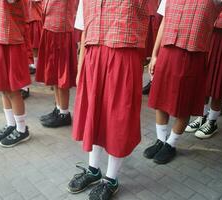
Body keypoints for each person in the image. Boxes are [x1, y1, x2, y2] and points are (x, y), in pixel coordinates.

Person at [68, 1, 149, 199]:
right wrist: (80, 67)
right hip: (93, 58)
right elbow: (85, 30)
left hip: (123, 57)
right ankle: (93, 170)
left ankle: (111, 179)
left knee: (117, 118)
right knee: (94, 115)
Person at [144, 0, 222, 165]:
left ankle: (171, 143)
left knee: (184, 103)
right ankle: (160, 140)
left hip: (193, 55)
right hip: (167, 51)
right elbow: (165, 21)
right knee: (160, 99)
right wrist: (155, 54)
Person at [0, 0, 31, 147]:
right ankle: (11, 124)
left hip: (10, 40)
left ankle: (21, 129)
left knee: (12, 89)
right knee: (3, 87)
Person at [185, 4, 222, 138]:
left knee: (220, 78)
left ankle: (212, 121)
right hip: (210, 29)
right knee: (204, 77)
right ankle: (201, 116)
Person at [35, 0, 78, 128]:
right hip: (50, 29)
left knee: (61, 76)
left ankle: (64, 113)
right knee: (54, 74)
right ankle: (59, 108)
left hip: (61, 32)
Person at [142, 0, 162, 95]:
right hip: (149, 10)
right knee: (143, 54)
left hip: (156, 11)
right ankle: (151, 82)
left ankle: (153, 82)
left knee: (158, 51)